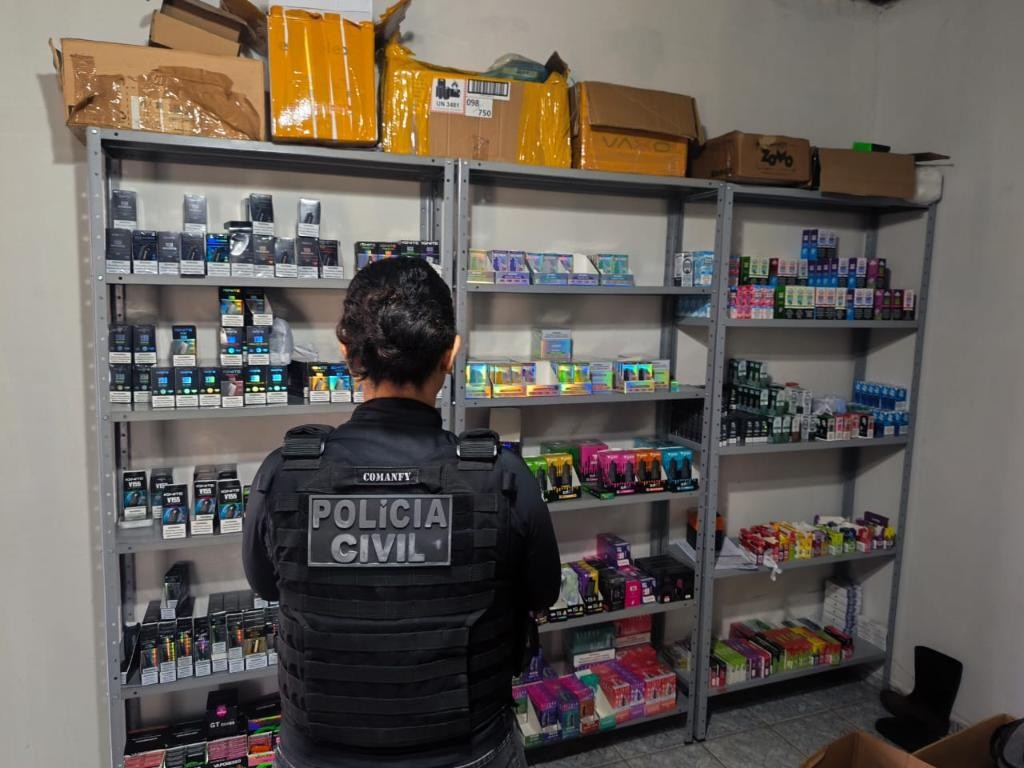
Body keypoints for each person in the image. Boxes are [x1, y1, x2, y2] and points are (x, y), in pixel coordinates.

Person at [244, 257, 561, 768]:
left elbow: (265, 585)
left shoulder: (284, 474)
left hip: (318, 755)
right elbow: (543, 592)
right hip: (470, 752)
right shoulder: (504, 477)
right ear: (451, 354)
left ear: (346, 352)